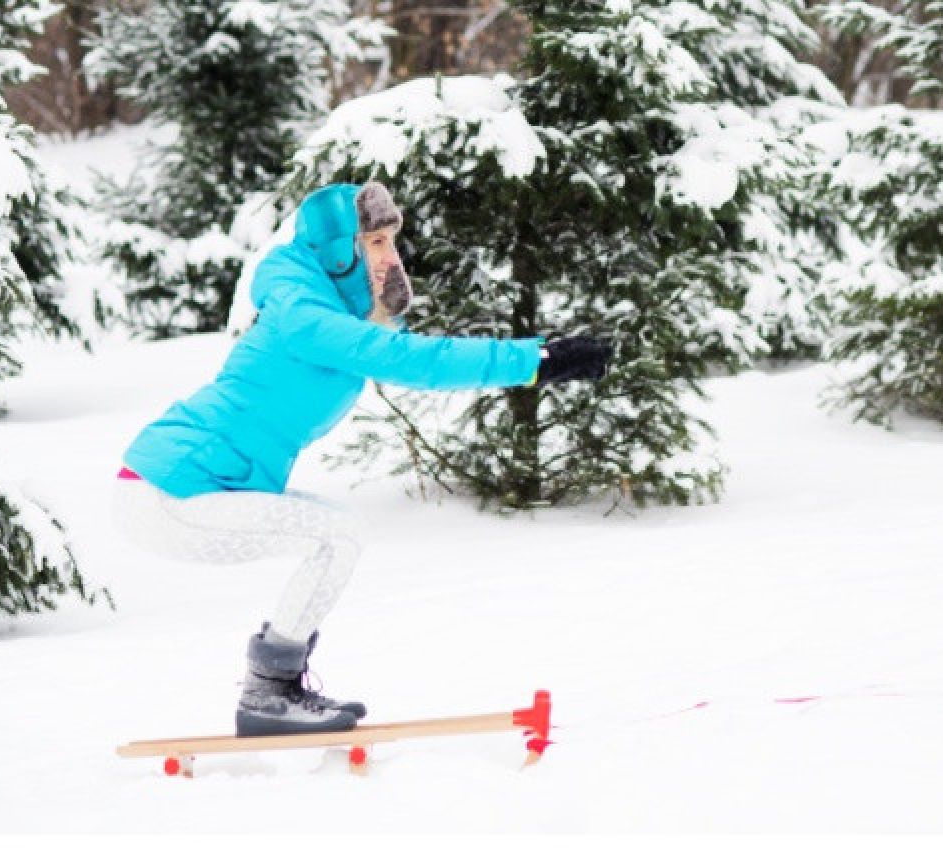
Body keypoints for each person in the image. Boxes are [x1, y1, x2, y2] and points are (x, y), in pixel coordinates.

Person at [111, 181, 612, 737]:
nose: (390, 255)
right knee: (336, 537)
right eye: (374, 241)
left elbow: (385, 342)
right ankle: (269, 694)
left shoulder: (327, 310)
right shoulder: (301, 312)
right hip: (168, 487)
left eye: (391, 241)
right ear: (339, 248)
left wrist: (385, 308)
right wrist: (535, 361)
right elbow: (411, 359)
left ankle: (272, 690)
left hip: (197, 486)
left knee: (338, 536)